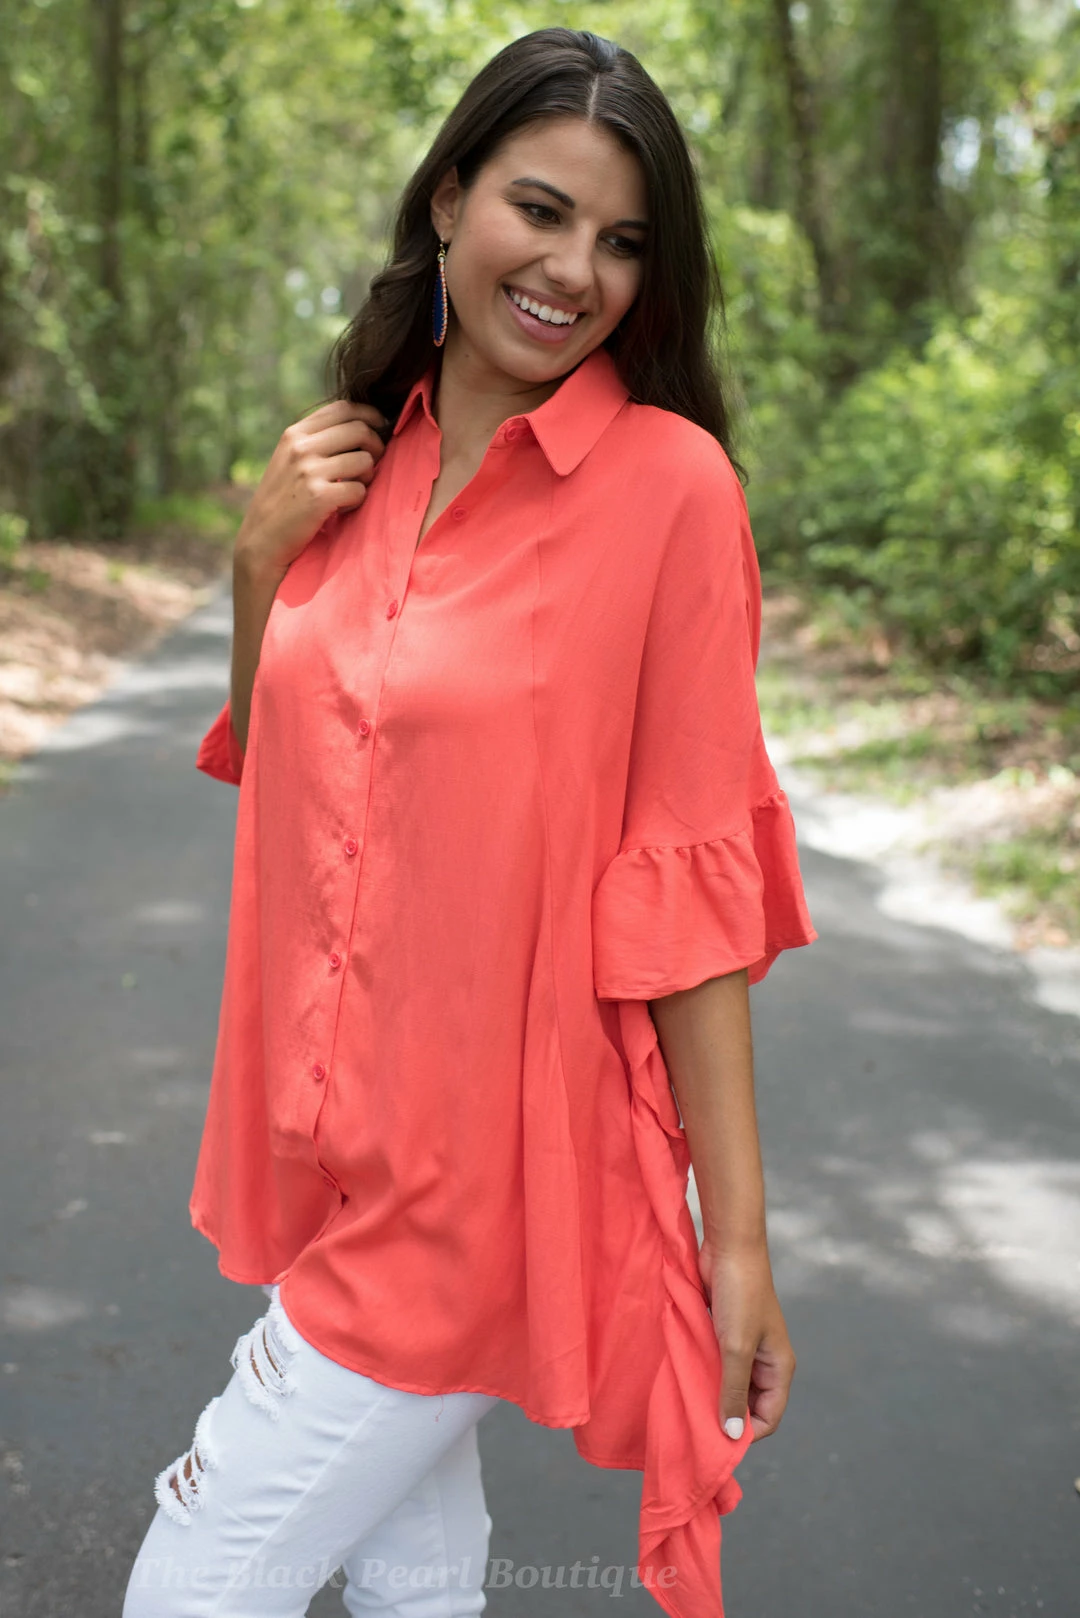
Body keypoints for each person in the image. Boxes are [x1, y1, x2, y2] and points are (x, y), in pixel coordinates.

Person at [122, 25, 817, 1618]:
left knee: (190, 1586)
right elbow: (298, 788)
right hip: (334, 1145)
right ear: (447, 200)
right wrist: (257, 571)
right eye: (542, 208)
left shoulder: (670, 492)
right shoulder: (360, 456)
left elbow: (687, 894)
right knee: (416, 1585)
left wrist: (739, 1243)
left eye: (625, 240)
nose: (578, 268)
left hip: (478, 1182)